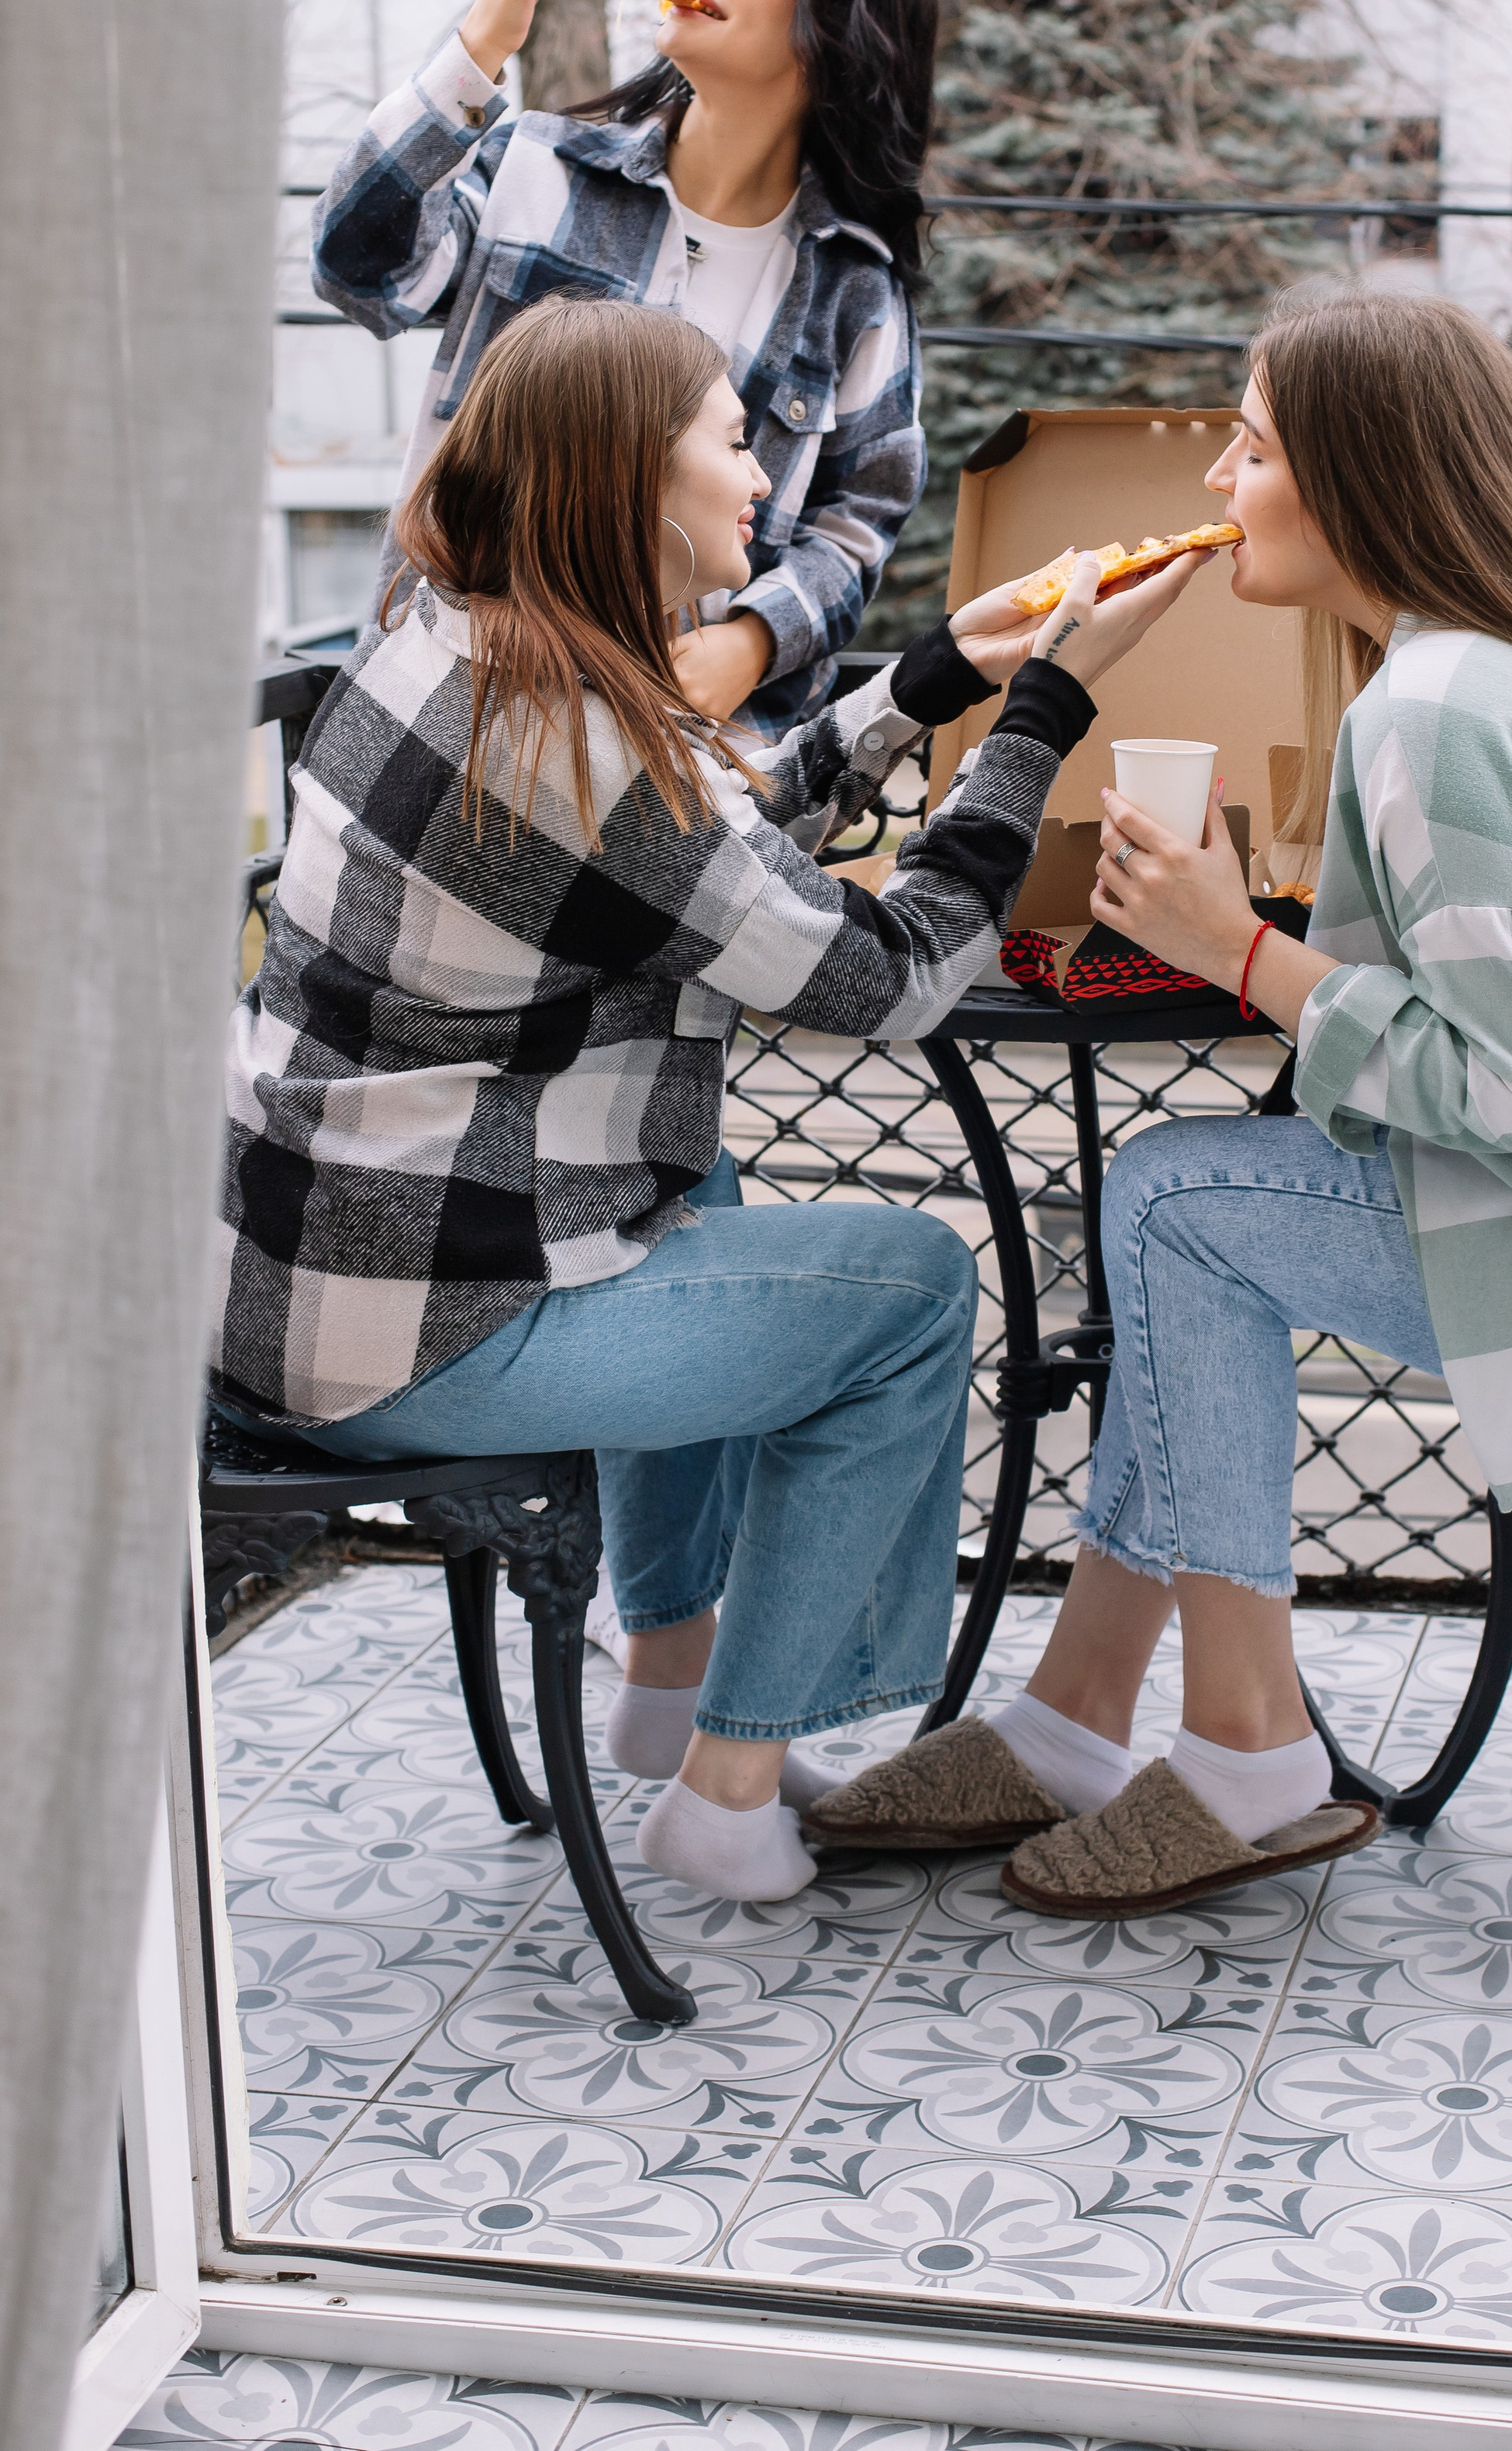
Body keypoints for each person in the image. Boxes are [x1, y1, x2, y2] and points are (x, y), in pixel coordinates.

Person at [805, 286, 1512, 1918]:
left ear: (1357, 478)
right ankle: (1066, 1721)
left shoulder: (1440, 710)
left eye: (1249, 449)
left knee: (1178, 1204)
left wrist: (1225, 947)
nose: (1213, 486)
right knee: (1195, 1210)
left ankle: (1243, 1748)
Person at [209, 294, 1210, 1904]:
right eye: (731, 442)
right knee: (906, 1291)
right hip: (416, 1332)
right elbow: (885, 981)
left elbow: (702, 831)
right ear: (629, 476)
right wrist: (1041, 718)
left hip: (309, 1282)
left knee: (693, 1191)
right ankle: (727, 1793)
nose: (761, 480)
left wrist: (938, 673)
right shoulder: (571, 736)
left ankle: (670, 1694)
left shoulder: (453, 640)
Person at [312, 0, 938, 737]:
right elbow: (357, 271)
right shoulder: (539, 168)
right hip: (443, 712)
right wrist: (480, 46)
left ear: (833, 34)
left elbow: (861, 519)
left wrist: (756, 640)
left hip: (667, 751)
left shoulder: (852, 288)